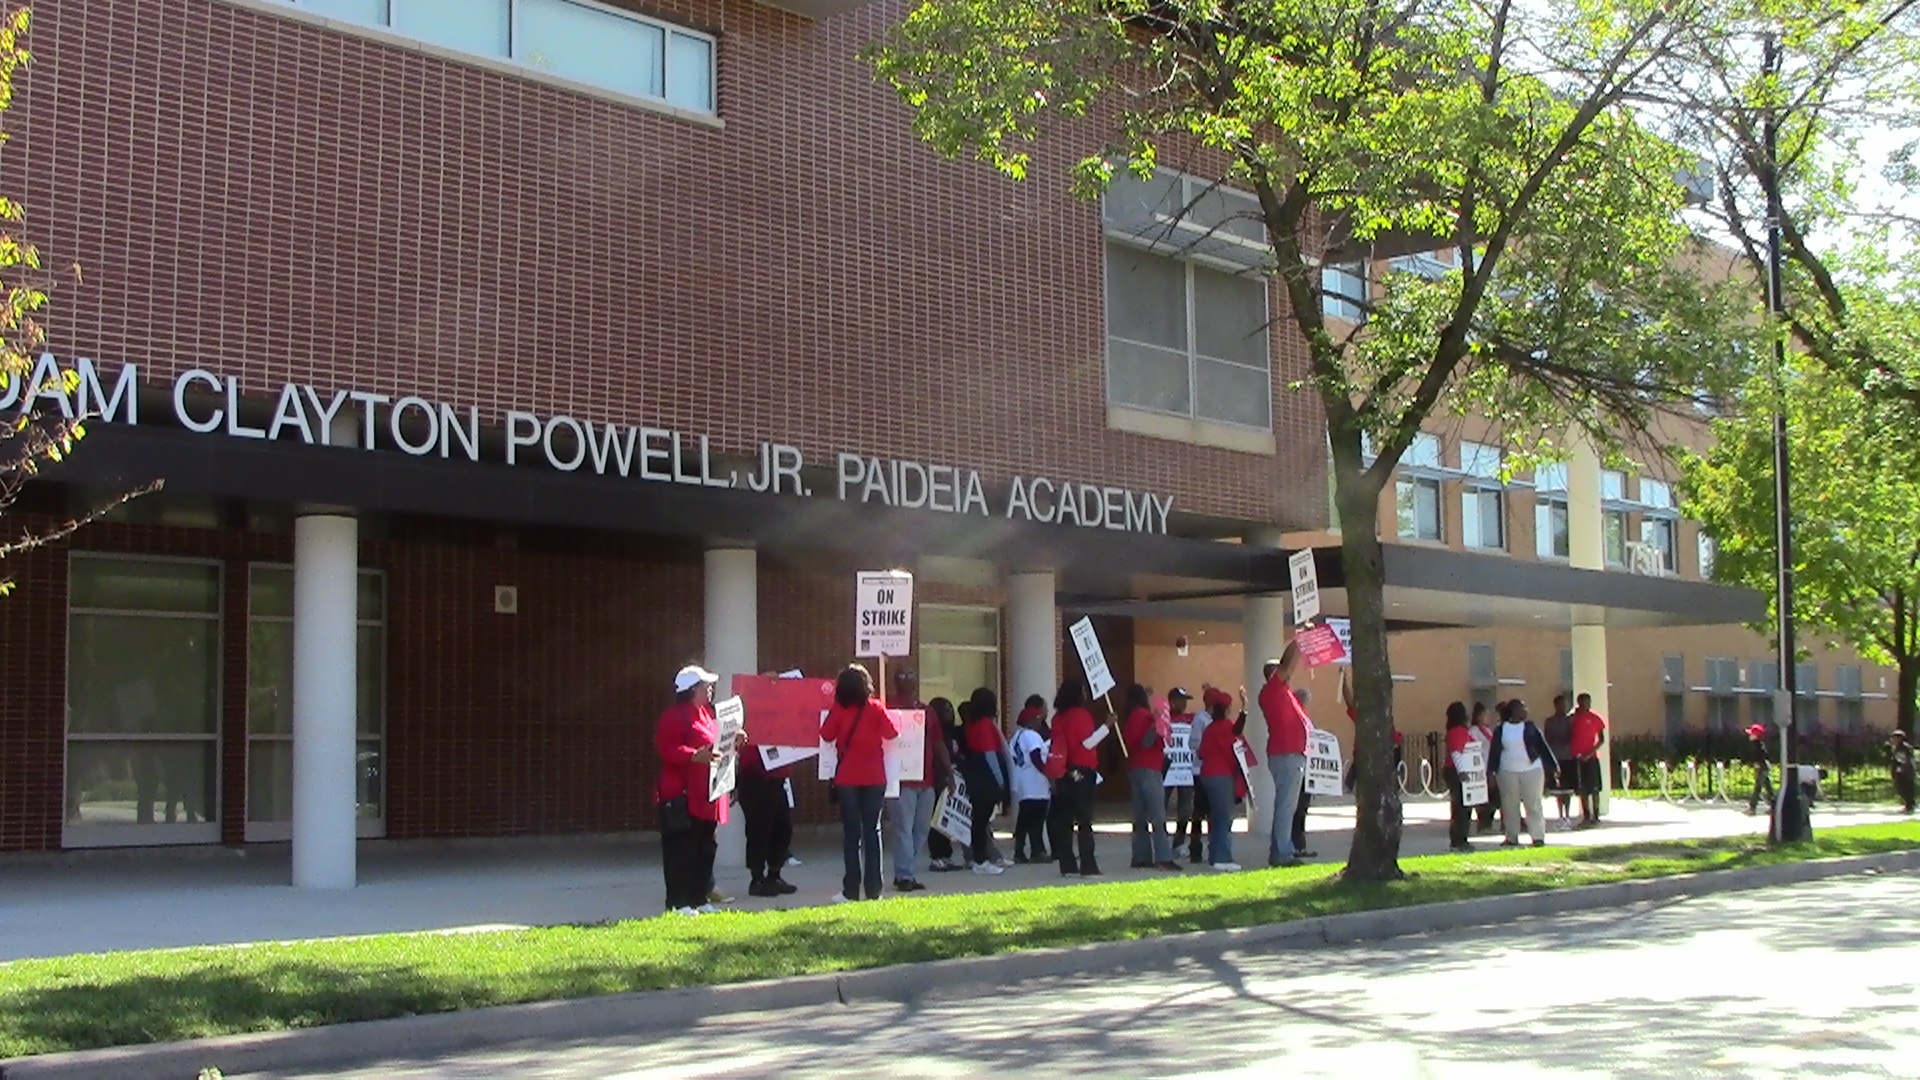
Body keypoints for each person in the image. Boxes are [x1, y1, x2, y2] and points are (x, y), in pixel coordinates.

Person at [654, 665, 744, 915]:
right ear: (692, 690)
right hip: (684, 795)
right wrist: (695, 756)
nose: (711, 689)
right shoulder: (674, 716)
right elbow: (667, 748)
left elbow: (717, 750)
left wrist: (734, 744)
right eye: (706, 686)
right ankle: (679, 902)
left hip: (708, 795)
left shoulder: (707, 715)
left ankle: (698, 897)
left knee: (705, 847)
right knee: (683, 850)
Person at [819, 663, 900, 902]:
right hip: (875, 777)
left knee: (851, 834)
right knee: (872, 831)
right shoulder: (876, 708)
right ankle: (874, 890)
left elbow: (826, 735)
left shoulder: (839, 709)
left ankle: (851, 890)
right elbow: (893, 732)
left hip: (847, 779)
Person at [887, 692, 952, 893]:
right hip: (901, 781)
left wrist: (949, 772)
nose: (907, 681)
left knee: (921, 829)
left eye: (910, 677)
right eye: (902, 677)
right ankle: (904, 874)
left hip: (927, 780)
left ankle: (906, 870)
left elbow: (939, 743)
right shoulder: (888, 709)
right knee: (903, 829)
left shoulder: (927, 711)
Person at [1258, 639, 1309, 868]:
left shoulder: (1284, 692)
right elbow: (1288, 664)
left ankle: (1282, 849)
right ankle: (1281, 853)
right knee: (1286, 805)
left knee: (1288, 805)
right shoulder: (1272, 690)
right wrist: (1299, 641)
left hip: (1292, 753)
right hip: (1286, 754)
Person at [1045, 678, 1102, 876]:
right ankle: (1088, 864)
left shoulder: (1057, 719)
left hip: (1064, 771)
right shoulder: (1082, 715)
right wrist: (1107, 727)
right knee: (1084, 820)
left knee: (1065, 819)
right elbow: (1088, 743)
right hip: (1083, 770)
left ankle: (1067, 864)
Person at [739, 714, 799, 898]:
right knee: (759, 830)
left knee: (783, 828)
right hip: (755, 775)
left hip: (777, 776)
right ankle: (756, 879)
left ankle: (774, 875)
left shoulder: (781, 708)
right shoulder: (754, 706)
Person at [1122, 683, 1180, 871]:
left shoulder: (1130, 717)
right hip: (1150, 767)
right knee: (1157, 814)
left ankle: (1141, 856)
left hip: (1135, 768)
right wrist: (1156, 723)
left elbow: (1132, 742)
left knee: (1140, 816)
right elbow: (1147, 742)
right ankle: (1163, 856)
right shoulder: (1145, 716)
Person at [963, 687, 1014, 874]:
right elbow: (990, 754)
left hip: (975, 774)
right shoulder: (985, 725)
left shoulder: (972, 724)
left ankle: (981, 858)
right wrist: (1001, 780)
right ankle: (980, 860)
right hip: (986, 777)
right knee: (981, 821)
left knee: (979, 820)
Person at [1197, 688, 1249, 870]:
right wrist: (1245, 707)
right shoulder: (1227, 727)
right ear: (1227, 710)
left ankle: (1214, 855)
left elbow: (1201, 753)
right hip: (1222, 776)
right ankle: (1223, 858)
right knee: (1224, 817)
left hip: (1207, 776)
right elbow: (1237, 730)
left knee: (1216, 815)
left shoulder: (1209, 729)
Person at [1490, 698, 1554, 847]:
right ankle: (1511, 837)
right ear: (1513, 711)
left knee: (1533, 803)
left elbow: (1543, 747)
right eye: (1522, 707)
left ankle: (1538, 837)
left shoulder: (1531, 727)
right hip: (1507, 771)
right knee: (1509, 805)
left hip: (1532, 770)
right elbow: (1494, 752)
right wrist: (1491, 772)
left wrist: (1553, 767)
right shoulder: (1501, 729)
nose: (1526, 709)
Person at [926, 698, 968, 871]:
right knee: (937, 819)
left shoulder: (954, 733)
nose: (950, 713)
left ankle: (946, 854)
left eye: (951, 709)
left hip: (952, 778)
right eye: (946, 709)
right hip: (938, 778)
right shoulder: (935, 733)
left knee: (947, 818)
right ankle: (937, 856)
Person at [1008, 699, 1051, 862]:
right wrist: (1048, 775)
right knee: (1037, 821)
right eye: (1037, 719)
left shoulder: (1017, 736)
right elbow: (1036, 757)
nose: (1040, 722)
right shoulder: (1032, 735)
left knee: (1024, 819)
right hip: (1035, 782)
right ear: (1031, 721)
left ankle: (1019, 851)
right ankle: (1037, 850)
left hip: (1022, 783)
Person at [1163, 688, 1198, 865]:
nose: (1184, 704)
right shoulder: (1164, 719)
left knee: (1185, 809)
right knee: (1160, 807)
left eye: (1186, 700)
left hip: (1185, 772)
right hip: (1167, 771)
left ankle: (1179, 843)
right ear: (1172, 701)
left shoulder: (1189, 719)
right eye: (1181, 700)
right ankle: (1161, 844)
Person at [1570, 692, 1609, 827]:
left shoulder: (1596, 718)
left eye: (1588, 702)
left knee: (1595, 788)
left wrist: (1590, 752)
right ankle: (1586, 815)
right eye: (1583, 702)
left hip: (1592, 757)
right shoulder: (1573, 718)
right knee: (1582, 789)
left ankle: (1596, 815)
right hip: (1578, 757)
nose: (1586, 705)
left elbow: (1602, 739)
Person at [1290, 685, 1317, 860]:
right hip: (1300, 766)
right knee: (1297, 809)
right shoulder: (1296, 718)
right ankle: (1295, 845)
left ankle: (1300, 845)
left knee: (1302, 809)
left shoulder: (1305, 718)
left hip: (1308, 768)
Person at [1442, 702, 1474, 852]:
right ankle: (1459, 840)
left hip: (1452, 771)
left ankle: (1458, 838)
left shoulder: (1453, 731)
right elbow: (1456, 752)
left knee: (1459, 807)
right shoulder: (1458, 731)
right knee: (1462, 807)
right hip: (1457, 771)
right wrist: (1462, 772)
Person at [1542, 695, 1575, 828]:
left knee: (1567, 789)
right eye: (1561, 704)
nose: (1563, 707)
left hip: (1567, 757)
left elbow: (1573, 736)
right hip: (1555, 757)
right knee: (1558, 790)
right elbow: (1546, 738)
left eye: (1565, 704)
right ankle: (1560, 815)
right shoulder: (1549, 721)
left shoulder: (1570, 721)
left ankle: (1567, 815)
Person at [1469, 702, 1498, 834]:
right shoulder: (1474, 731)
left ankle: (1488, 822)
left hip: (1488, 766)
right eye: (1486, 715)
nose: (1488, 717)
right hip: (1480, 767)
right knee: (1483, 798)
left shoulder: (1488, 730)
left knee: (1493, 797)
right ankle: (1483, 824)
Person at [1746, 723, 1775, 816]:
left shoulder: (1758, 745)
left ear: (1756, 736)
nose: (1750, 735)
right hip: (1763, 767)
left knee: (1758, 788)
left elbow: (1761, 756)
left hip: (1762, 768)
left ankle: (1752, 808)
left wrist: (1757, 764)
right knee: (1768, 787)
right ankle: (1774, 806)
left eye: (1752, 734)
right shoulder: (1757, 744)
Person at [1890, 731, 1915, 814]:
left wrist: (1904, 768)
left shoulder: (1905, 748)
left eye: (1895, 737)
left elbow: (1909, 760)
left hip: (1907, 772)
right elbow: (1895, 759)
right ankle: (1909, 804)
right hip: (1900, 772)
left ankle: (1910, 806)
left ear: (1900, 738)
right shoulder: (1896, 747)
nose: (1893, 739)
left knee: (1907, 789)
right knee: (1900, 789)